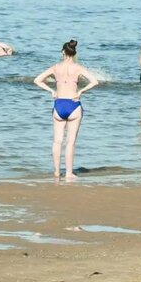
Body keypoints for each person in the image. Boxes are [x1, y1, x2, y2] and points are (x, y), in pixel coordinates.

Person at [34, 39, 100, 182]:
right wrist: (81, 91)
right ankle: (69, 173)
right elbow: (95, 81)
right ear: (74, 53)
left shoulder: (55, 67)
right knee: (70, 142)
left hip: (59, 104)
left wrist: (51, 90)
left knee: (57, 141)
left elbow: (37, 80)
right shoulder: (78, 68)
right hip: (73, 104)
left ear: (63, 52)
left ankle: (57, 172)